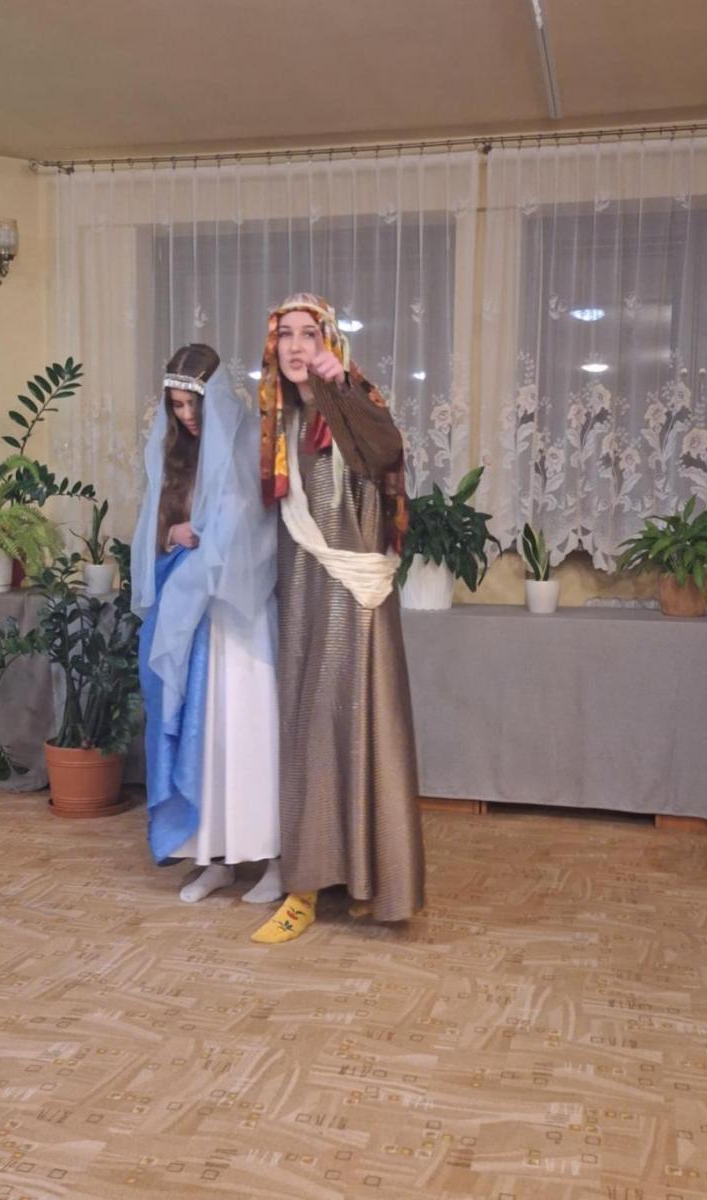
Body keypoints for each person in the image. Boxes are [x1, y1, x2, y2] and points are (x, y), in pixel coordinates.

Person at [251, 294, 425, 945]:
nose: (297, 346)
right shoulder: (281, 425)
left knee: (362, 730)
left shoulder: (353, 406)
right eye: (286, 335)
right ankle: (305, 886)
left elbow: (385, 452)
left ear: (329, 343)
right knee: (309, 734)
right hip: (302, 597)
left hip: (356, 602)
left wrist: (338, 384)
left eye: (310, 334)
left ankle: (371, 883)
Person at [132, 344, 282, 905]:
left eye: (192, 404)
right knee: (205, 739)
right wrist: (173, 534)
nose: (186, 416)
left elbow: (262, 527)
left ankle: (274, 860)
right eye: (176, 406)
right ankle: (213, 857)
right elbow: (153, 529)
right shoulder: (173, 455)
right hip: (191, 620)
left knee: (247, 733)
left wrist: (215, 538)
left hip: (240, 619)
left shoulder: (247, 441)